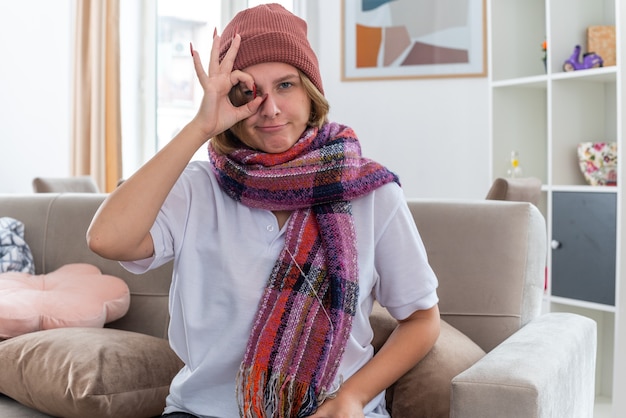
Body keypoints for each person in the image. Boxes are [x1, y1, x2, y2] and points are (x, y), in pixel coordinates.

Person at [87, 4, 439, 418]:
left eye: (286, 85)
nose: (269, 108)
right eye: (249, 91)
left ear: (311, 91)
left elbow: (421, 320)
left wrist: (353, 397)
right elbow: (106, 238)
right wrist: (201, 125)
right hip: (204, 413)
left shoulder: (372, 193)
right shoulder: (198, 188)